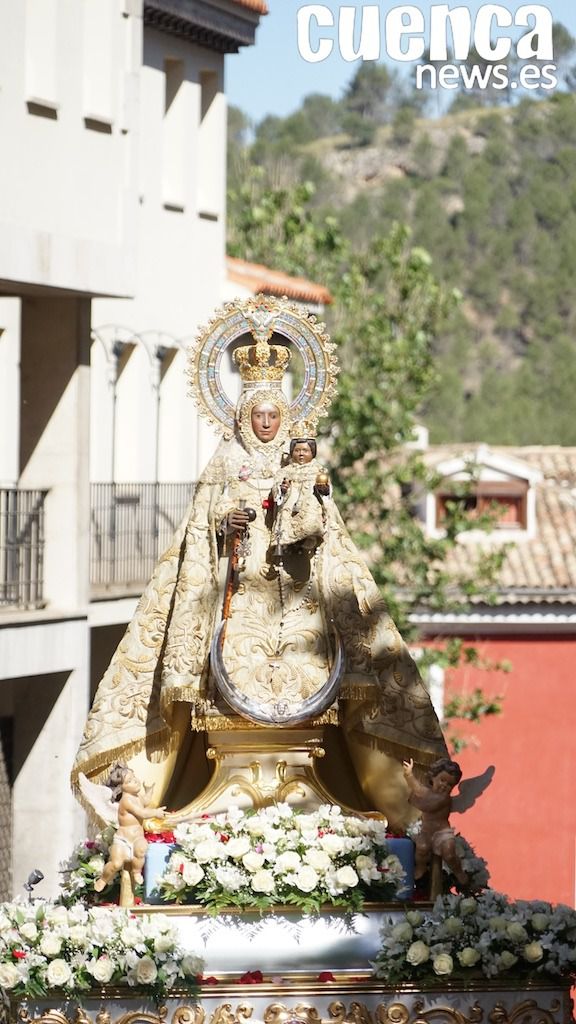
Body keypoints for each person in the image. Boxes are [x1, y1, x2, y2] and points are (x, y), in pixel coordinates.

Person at [72, 296, 447, 830]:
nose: (268, 423)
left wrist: (307, 509)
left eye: (275, 415)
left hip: (298, 602)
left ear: (287, 415)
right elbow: (201, 536)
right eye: (259, 414)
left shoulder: (307, 467)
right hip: (237, 596)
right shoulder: (224, 466)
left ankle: (393, 809)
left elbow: (327, 536)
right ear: (243, 414)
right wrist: (229, 523)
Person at [93, 766, 166, 893]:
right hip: (122, 839)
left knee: (141, 849)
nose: (135, 781)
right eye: (130, 781)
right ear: (121, 788)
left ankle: (137, 871)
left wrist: (149, 791)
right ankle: (104, 879)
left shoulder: (137, 797)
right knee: (116, 863)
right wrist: (156, 812)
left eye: (134, 777)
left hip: (137, 837)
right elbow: (142, 813)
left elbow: (146, 801)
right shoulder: (126, 801)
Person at [402, 756, 469, 886]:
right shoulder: (427, 793)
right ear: (433, 778)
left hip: (443, 833)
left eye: (449, 784)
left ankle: (458, 870)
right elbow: (417, 788)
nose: (444, 785)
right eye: (442, 780)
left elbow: (428, 806)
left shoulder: (444, 799)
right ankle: (421, 866)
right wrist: (409, 774)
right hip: (427, 831)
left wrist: (413, 800)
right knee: (421, 848)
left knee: (449, 854)